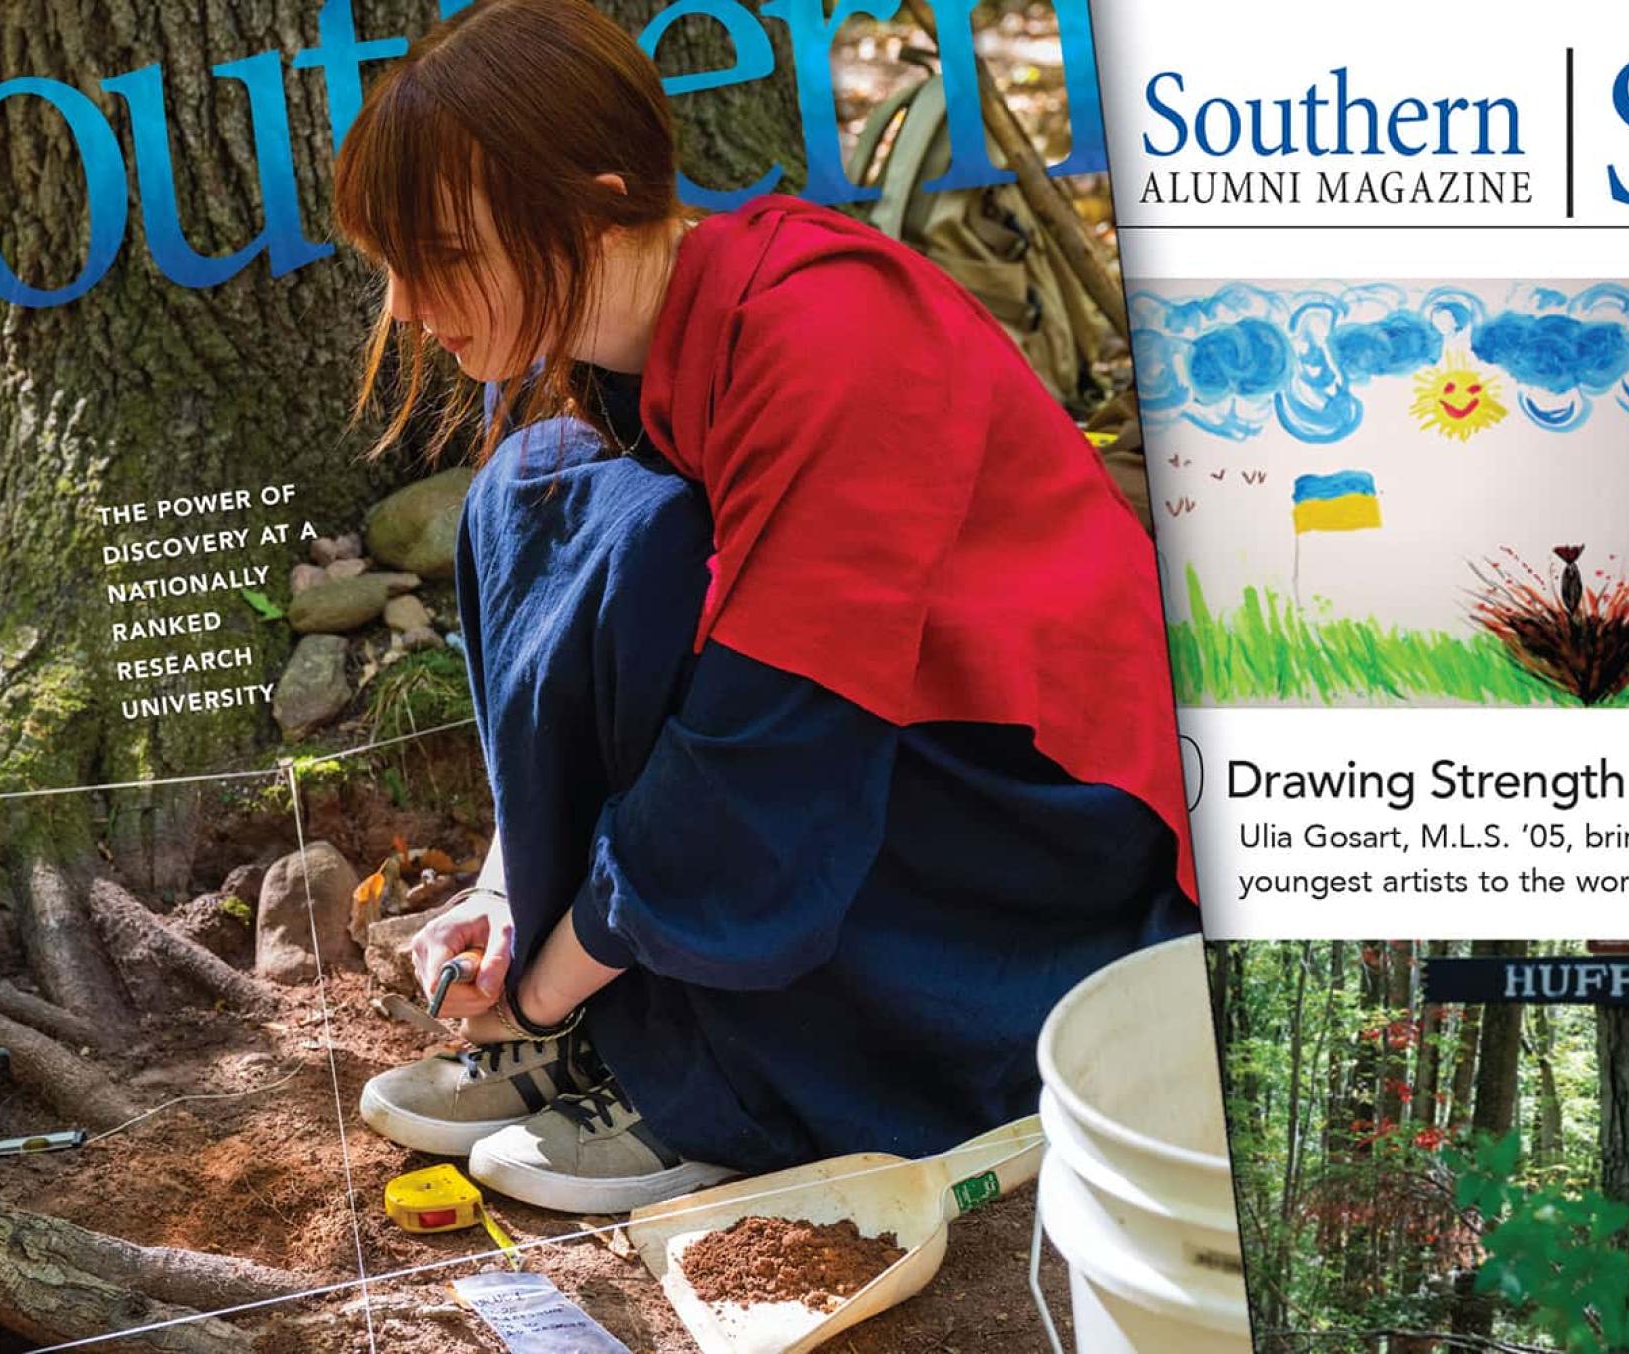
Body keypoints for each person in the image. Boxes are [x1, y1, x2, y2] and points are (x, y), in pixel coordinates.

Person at [339, 0, 1198, 1214]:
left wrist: (536, 993)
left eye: (437, 254)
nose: (407, 305)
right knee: (542, 489)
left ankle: (726, 1077)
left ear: (592, 208)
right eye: (391, 263)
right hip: (861, 746)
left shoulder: (827, 327)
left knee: (637, 543)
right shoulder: (591, 337)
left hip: (1035, 808)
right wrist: (505, 896)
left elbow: (766, 746)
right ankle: (629, 1013)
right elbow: (608, 677)